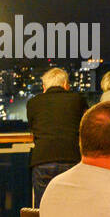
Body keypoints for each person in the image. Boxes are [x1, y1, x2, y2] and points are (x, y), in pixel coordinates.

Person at [26, 67, 87, 206]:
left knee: (43, 208)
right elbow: (86, 125)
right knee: (73, 207)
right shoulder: (77, 99)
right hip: (72, 158)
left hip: (42, 160)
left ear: (44, 87)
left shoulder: (33, 103)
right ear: (66, 85)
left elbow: (33, 128)